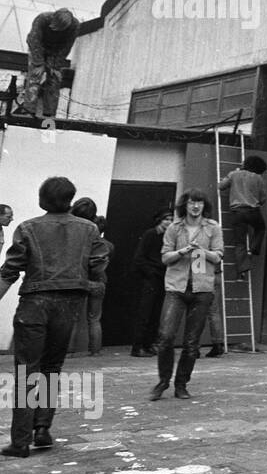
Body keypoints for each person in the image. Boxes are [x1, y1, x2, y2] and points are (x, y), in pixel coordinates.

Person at [0, 177, 109, 457]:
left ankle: (20, 441)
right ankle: (42, 429)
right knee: (51, 369)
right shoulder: (89, 229)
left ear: (42, 199)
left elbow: (9, 271)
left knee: (27, 371)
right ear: (70, 199)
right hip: (68, 307)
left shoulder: (28, 228)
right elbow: (98, 266)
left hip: (34, 305)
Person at [150, 190, 223, 401]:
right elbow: (165, 258)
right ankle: (163, 381)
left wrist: (202, 250)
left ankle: (181, 384)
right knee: (165, 337)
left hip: (202, 288)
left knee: (192, 342)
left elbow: (218, 256)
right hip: (176, 287)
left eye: (199, 203)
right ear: (185, 205)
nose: (195, 207)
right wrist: (182, 252)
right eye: (192, 203)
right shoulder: (174, 228)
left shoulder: (213, 227)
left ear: (204, 206)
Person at [18, 8, 78, 117]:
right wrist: (39, 64)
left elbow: (66, 48)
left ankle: (49, 114)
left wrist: (54, 67)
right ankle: (28, 111)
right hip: (38, 47)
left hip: (55, 52)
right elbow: (34, 41)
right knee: (35, 77)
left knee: (54, 79)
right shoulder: (42, 19)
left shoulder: (74, 26)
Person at [70, 199, 112, 357]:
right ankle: (95, 351)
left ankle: (69, 352)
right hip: (98, 280)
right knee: (94, 319)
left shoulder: (76, 234)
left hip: (79, 279)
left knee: (73, 318)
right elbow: (100, 263)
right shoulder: (106, 244)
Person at [218, 154, 267, 279]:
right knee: (261, 228)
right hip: (252, 211)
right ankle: (253, 249)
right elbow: (263, 199)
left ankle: (242, 269)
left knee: (240, 242)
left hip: (236, 212)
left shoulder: (234, 174)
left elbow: (221, 186)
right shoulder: (258, 178)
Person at [130, 210, 171, 357]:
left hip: (161, 277)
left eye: (171, 219)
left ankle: (148, 344)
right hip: (151, 277)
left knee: (155, 313)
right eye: (166, 219)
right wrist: (150, 272)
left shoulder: (168, 237)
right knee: (145, 313)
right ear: (160, 220)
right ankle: (138, 346)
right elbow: (139, 257)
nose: (169, 222)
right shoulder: (150, 234)